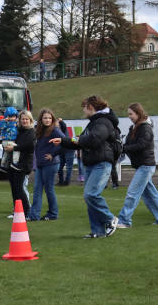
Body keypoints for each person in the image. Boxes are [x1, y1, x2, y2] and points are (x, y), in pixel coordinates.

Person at [50, 95, 120, 238]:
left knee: (91, 195)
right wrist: (63, 141)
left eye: (84, 107)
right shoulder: (93, 123)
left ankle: (110, 219)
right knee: (89, 198)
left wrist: (78, 140)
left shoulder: (103, 121)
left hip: (101, 163)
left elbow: (94, 140)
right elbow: (79, 140)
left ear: (90, 107)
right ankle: (97, 231)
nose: (83, 111)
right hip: (92, 163)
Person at [116, 102, 158, 228]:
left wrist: (123, 149)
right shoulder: (135, 127)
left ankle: (124, 220)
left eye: (131, 114)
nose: (129, 116)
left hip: (145, 166)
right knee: (150, 195)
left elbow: (141, 145)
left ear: (138, 113)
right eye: (128, 114)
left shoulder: (145, 128)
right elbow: (129, 143)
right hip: (142, 166)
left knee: (132, 193)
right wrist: (122, 147)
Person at [27, 108, 65, 221]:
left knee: (49, 189)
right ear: (41, 119)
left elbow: (65, 141)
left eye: (49, 118)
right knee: (37, 188)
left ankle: (53, 213)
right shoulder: (38, 130)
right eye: (45, 118)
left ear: (52, 119)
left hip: (51, 163)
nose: (47, 120)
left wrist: (53, 154)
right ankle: (34, 215)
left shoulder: (54, 130)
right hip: (40, 163)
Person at [4, 110, 36, 218]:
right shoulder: (19, 130)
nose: (25, 121)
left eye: (27, 119)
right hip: (14, 162)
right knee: (14, 187)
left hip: (24, 164)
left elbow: (28, 146)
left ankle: (27, 212)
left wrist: (14, 148)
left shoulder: (32, 132)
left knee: (20, 188)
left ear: (30, 120)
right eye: (23, 119)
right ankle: (17, 211)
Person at [0, 106, 21, 170]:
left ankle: (2, 165)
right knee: (16, 148)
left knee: (6, 154)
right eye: (10, 117)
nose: (12, 118)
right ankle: (15, 162)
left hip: (12, 140)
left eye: (14, 117)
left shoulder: (16, 123)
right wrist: (3, 121)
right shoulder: (6, 123)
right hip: (7, 140)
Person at [56, 118, 75, 186]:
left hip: (69, 149)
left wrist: (61, 121)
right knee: (60, 167)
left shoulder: (63, 130)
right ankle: (61, 181)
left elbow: (63, 125)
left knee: (68, 167)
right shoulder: (57, 131)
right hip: (63, 149)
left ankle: (67, 181)